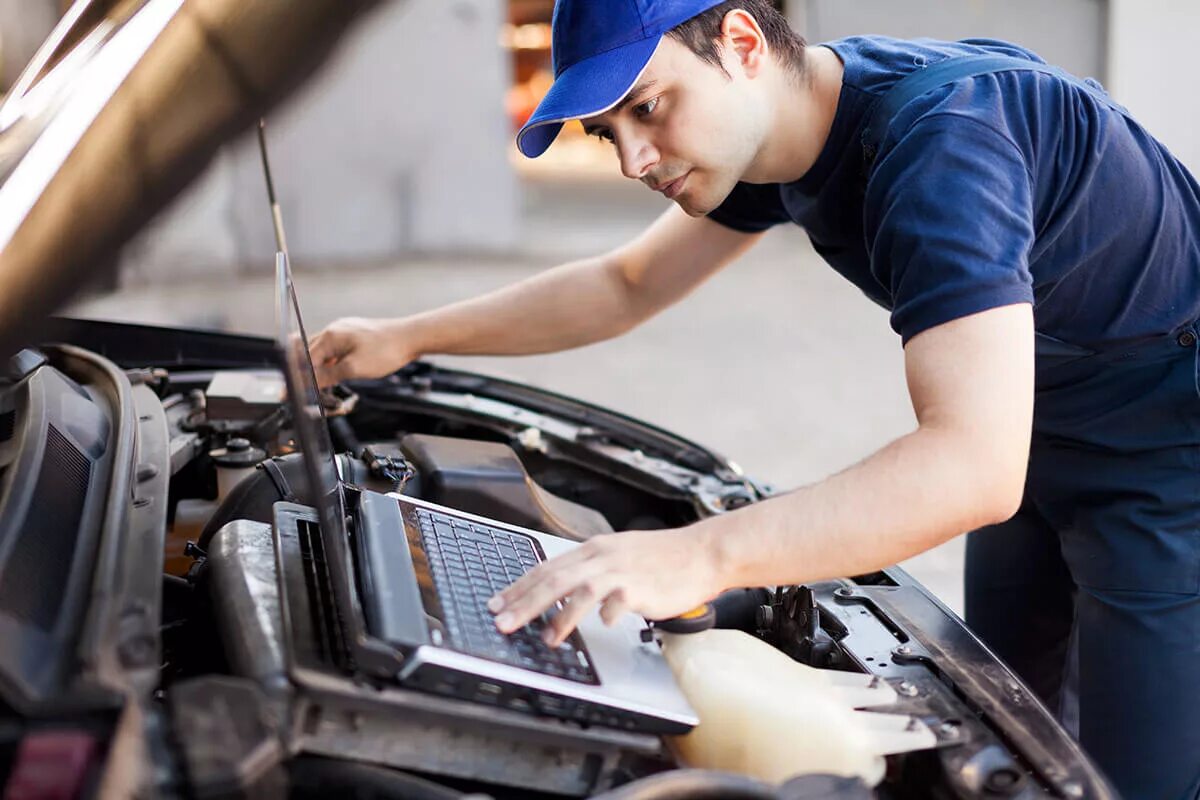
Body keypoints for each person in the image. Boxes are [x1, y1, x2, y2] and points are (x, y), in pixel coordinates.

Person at [310, 1, 1200, 796]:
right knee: (1011, 731)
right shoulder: (789, 127)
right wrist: (411, 334)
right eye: (605, 131)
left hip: (1167, 455)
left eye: (647, 107)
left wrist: (698, 556)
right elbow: (625, 284)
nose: (632, 159)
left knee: (1131, 777)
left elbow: (971, 466)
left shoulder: (941, 147)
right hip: (1032, 417)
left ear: (740, 41)